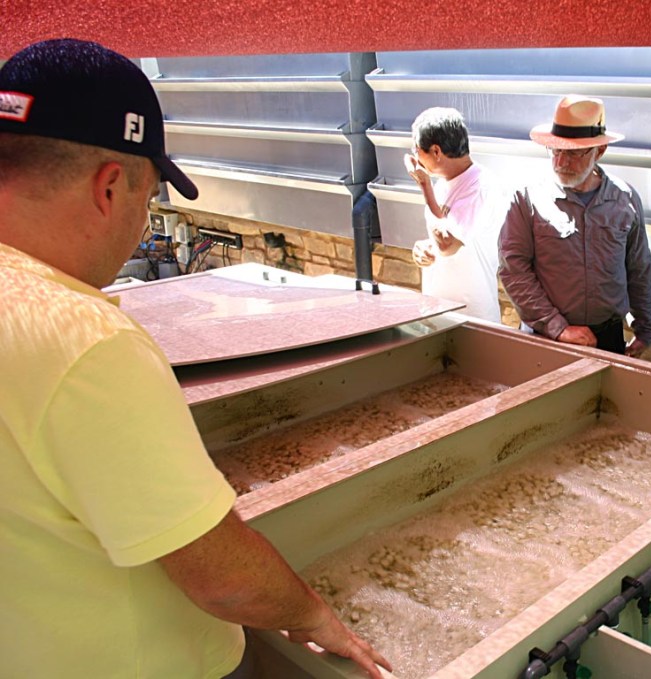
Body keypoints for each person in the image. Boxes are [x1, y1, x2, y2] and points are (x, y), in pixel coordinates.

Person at [0, 39, 390, 678]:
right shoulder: (84, 342)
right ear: (108, 187)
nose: (143, 219)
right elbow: (223, 579)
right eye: (148, 196)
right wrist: (314, 615)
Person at [498, 95, 651, 356]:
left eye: (572, 154)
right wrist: (557, 327)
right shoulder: (526, 197)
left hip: (607, 338)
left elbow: (638, 268)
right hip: (545, 337)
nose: (561, 163)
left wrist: (645, 327)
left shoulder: (624, 198)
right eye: (556, 151)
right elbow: (513, 269)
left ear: (600, 151)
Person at [406, 107, 503, 323]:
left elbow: (447, 244)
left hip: (472, 319)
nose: (415, 157)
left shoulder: (480, 186)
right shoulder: (443, 184)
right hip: (437, 313)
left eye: (416, 149)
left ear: (436, 151)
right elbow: (441, 238)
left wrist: (424, 185)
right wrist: (423, 248)